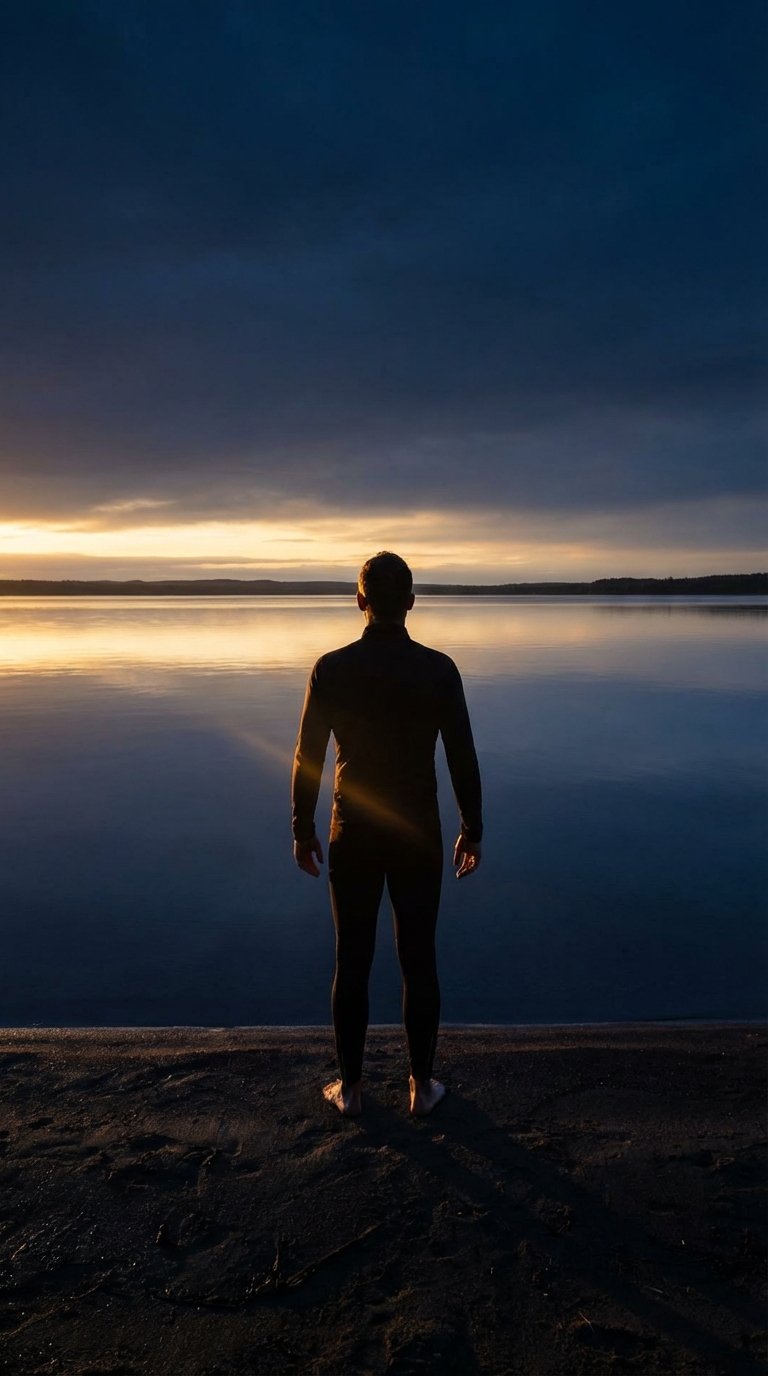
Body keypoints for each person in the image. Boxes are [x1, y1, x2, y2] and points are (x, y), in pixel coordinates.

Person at [291, 551, 482, 1116]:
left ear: (360, 601)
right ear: (411, 603)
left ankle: (349, 1090)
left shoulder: (331, 668)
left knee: (352, 959)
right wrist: (473, 829)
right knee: (418, 958)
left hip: (352, 831)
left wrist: (302, 829)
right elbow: (462, 758)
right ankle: (422, 1089)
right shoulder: (439, 670)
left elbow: (309, 757)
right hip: (418, 833)